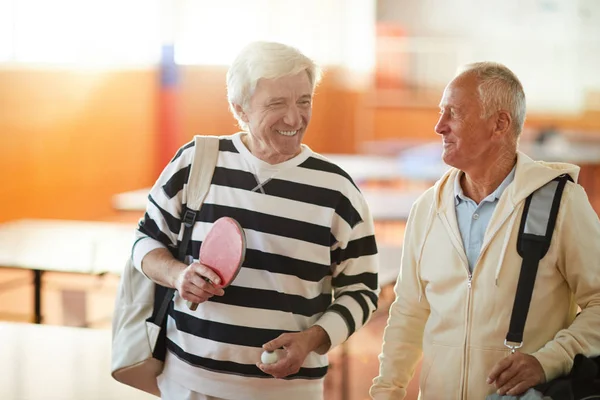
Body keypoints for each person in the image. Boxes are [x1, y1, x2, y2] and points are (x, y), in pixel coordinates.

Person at [133, 41, 379, 400]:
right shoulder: (196, 162)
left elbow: (362, 290)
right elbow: (145, 242)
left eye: (303, 101)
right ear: (240, 108)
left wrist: (313, 339)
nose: (294, 118)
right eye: (277, 104)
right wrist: (178, 275)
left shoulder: (337, 190)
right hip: (189, 381)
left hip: (289, 391)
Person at [370, 62, 600, 399]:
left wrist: (548, 360)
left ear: (500, 124)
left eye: (454, 113)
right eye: (440, 112)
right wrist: (386, 391)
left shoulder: (561, 203)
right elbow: (408, 311)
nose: (439, 126)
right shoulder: (427, 208)